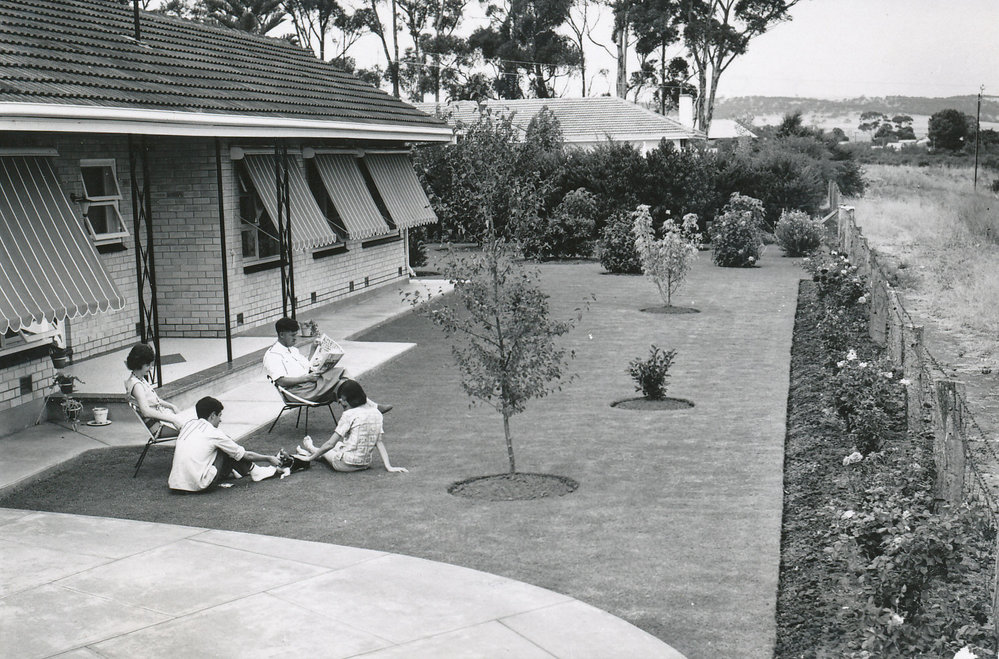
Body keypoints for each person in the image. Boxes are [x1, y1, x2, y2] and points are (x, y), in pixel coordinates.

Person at [262, 316, 391, 413]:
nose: (295, 338)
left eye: (296, 335)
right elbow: (281, 381)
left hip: (310, 384)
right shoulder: (273, 355)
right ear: (282, 334)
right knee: (342, 376)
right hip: (299, 392)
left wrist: (314, 350)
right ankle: (371, 408)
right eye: (292, 335)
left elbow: (308, 367)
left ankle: (363, 412)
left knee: (343, 383)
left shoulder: (292, 350)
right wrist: (307, 378)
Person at [168, 396, 281, 493]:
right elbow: (245, 455)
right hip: (199, 485)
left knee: (222, 445)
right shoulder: (214, 433)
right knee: (226, 446)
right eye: (219, 415)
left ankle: (238, 470)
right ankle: (256, 471)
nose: (220, 420)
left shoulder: (189, 424)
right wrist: (268, 458)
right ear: (212, 416)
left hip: (175, 484)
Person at [301, 379, 407, 473]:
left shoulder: (349, 414)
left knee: (328, 451)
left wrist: (309, 459)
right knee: (339, 446)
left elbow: (330, 444)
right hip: (365, 463)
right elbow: (379, 442)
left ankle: (310, 450)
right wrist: (389, 466)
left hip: (344, 464)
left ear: (349, 400)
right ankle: (311, 452)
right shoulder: (377, 413)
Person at [125, 343, 183, 439]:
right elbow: (146, 412)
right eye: (148, 365)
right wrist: (172, 420)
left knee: (192, 422)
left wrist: (172, 406)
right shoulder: (136, 385)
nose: (151, 368)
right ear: (139, 364)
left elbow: (155, 400)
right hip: (157, 426)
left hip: (161, 419)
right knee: (192, 428)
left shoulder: (140, 379)